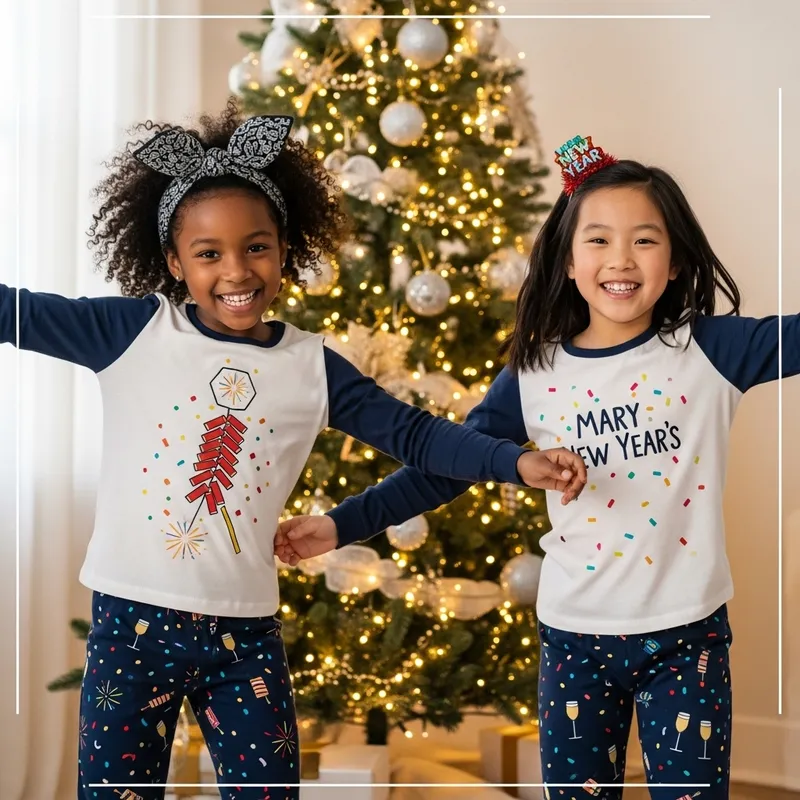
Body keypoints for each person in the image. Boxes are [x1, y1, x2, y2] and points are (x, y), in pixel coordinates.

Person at [0, 104, 587, 800]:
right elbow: (19, 312)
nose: (236, 271)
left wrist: (513, 462)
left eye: (256, 246)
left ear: (286, 248)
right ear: (172, 261)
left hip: (243, 636)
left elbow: (419, 436)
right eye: (208, 254)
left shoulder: (313, 367)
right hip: (131, 629)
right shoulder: (132, 332)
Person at [275, 134, 799, 799]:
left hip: (686, 640)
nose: (622, 258)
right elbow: (444, 467)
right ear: (569, 261)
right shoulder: (536, 372)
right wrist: (341, 525)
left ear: (674, 261)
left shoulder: (711, 349)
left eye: (645, 240)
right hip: (576, 638)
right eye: (599, 240)